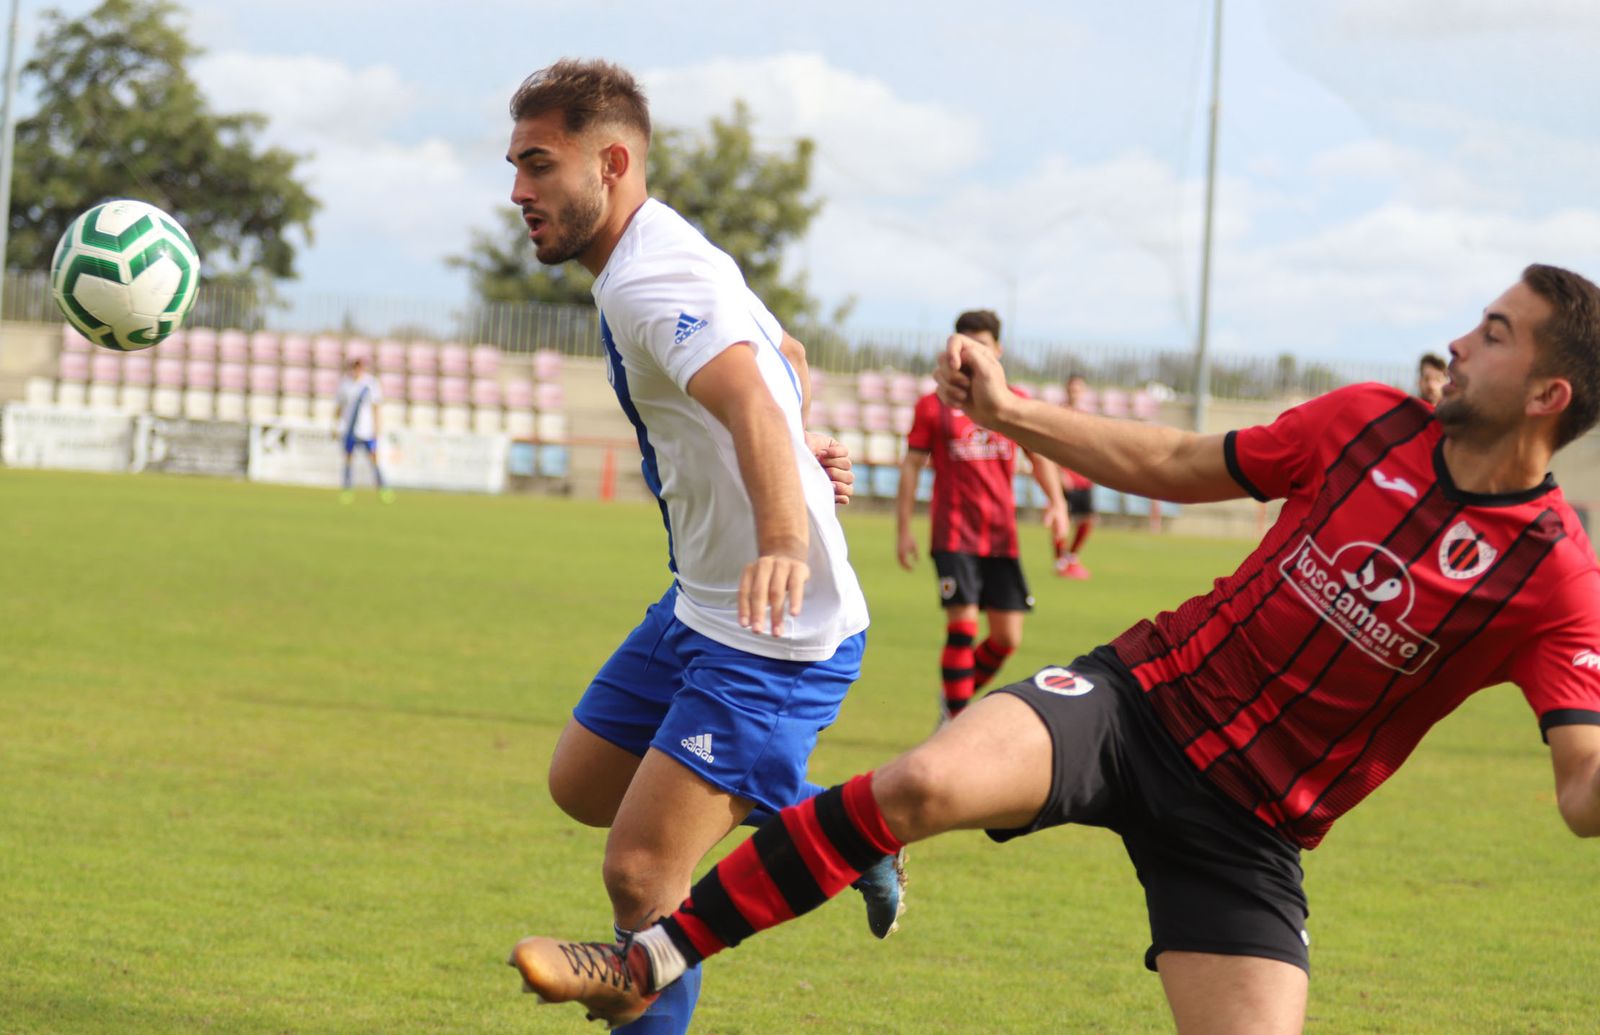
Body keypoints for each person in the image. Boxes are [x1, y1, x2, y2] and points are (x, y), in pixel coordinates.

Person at [511, 263, 1600, 1034]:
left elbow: (1579, 785)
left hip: (1252, 827)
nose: (1460, 341)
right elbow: (1178, 457)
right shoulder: (1368, 421)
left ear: (1549, 395)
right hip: (1135, 704)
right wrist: (1008, 407)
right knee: (926, 777)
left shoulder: (1553, 570)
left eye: (1494, 333)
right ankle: (647, 957)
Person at [500, 58, 901, 1035]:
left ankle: (823, 822)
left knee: (643, 873)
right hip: (699, 605)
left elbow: (751, 391)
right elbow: (785, 357)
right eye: (514, 167)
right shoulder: (655, 251)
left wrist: (781, 532)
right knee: (581, 784)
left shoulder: (651, 277)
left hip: (775, 631)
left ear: (614, 160)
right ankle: (834, 822)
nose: (518, 192)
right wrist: (802, 445)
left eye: (539, 166)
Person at [895, 310, 1067, 719]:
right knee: (963, 628)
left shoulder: (1014, 402)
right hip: (953, 534)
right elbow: (911, 468)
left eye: (982, 347)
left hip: (1001, 534)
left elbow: (1039, 457)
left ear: (998, 350)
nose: (972, 356)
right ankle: (955, 722)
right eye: (966, 346)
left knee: (1007, 637)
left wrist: (1057, 502)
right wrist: (904, 529)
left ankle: (954, 696)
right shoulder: (932, 405)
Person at [1053, 373, 1098, 579]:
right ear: (1066, 389)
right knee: (1062, 518)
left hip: (1082, 477)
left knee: (1088, 519)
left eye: (1078, 389)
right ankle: (1060, 560)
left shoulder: (1086, 416)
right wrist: (1060, 473)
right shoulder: (1058, 414)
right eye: (1072, 388)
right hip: (1065, 478)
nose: (1075, 392)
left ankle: (1071, 557)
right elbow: (1050, 448)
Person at [332, 357, 392, 503]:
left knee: (373, 459)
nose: (356, 370)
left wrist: (377, 427)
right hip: (349, 429)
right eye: (354, 367)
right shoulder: (345, 384)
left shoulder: (370, 383)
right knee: (348, 459)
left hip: (367, 430)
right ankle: (347, 489)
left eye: (359, 367)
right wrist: (335, 425)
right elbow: (339, 407)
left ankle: (383, 488)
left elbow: (376, 406)